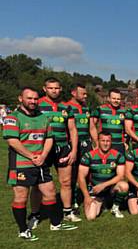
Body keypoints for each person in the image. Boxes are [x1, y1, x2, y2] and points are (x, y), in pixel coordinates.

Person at [4, 87, 77, 240]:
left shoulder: (43, 117)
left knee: (50, 192)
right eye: (29, 98)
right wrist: (31, 156)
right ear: (20, 99)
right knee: (21, 197)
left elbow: (49, 138)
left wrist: (43, 156)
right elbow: (12, 140)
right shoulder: (13, 117)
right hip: (21, 164)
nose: (33, 101)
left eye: (35, 99)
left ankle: (55, 224)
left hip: (40, 162)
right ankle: (23, 230)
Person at [36, 77, 80, 223]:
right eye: (51, 88)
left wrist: (73, 151)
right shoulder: (37, 104)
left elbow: (73, 130)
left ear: (60, 89)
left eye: (56, 88)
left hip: (63, 148)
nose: (54, 91)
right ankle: (36, 214)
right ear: (45, 89)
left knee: (66, 182)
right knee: (38, 183)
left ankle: (67, 212)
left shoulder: (66, 107)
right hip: (43, 149)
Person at [78, 132, 129, 220]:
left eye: (108, 141)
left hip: (110, 188)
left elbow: (121, 176)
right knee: (91, 217)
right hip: (95, 190)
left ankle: (115, 207)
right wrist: (86, 196)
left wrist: (103, 185)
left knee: (124, 186)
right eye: (103, 141)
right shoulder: (88, 156)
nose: (105, 143)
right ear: (98, 141)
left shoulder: (118, 155)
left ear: (111, 142)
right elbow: (81, 177)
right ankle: (101, 201)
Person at [65, 83, 91, 213]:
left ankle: (86, 196)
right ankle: (73, 201)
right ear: (74, 93)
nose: (85, 96)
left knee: (87, 172)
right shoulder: (67, 107)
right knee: (73, 173)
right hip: (73, 144)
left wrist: (95, 142)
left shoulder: (86, 108)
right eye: (83, 94)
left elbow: (91, 127)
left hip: (87, 143)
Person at [90, 88, 127, 155]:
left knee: (120, 164)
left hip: (119, 145)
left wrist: (126, 142)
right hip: (104, 144)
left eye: (118, 99)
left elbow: (126, 129)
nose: (116, 101)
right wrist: (96, 141)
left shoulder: (124, 111)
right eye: (114, 98)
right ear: (109, 98)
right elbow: (92, 126)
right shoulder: (100, 109)